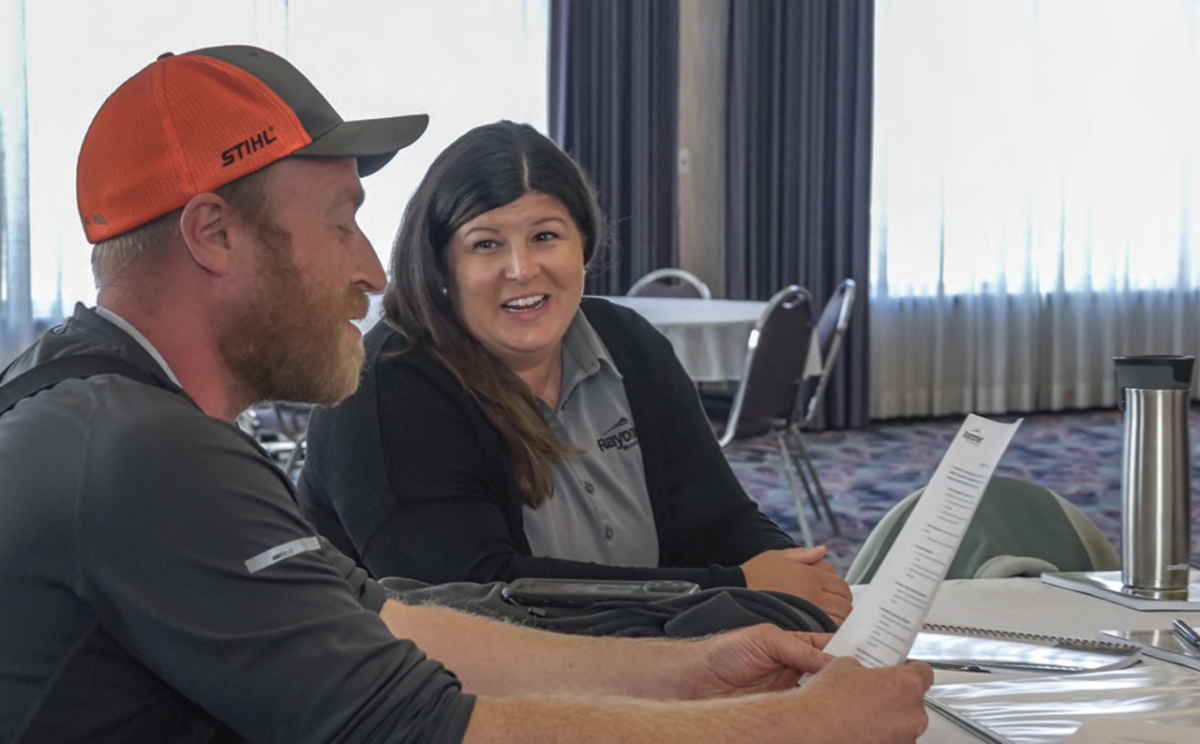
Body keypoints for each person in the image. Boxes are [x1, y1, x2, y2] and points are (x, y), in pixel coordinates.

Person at [0, 45, 931, 743]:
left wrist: (690, 669)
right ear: (213, 235)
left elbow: (390, 627)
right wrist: (806, 729)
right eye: (340, 227)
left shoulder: (96, 401)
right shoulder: (141, 454)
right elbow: (424, 727)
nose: (370, 270)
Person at [297, 120, 854, 624]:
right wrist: (736, 586)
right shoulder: (388, 388)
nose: (522, 269)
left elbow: (719, 517)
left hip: (640, 664)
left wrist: (794, 570)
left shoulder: (630, 343)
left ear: (582, 244)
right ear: (442, 266)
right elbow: (475, 596)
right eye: (486, 244)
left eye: (545, 236)